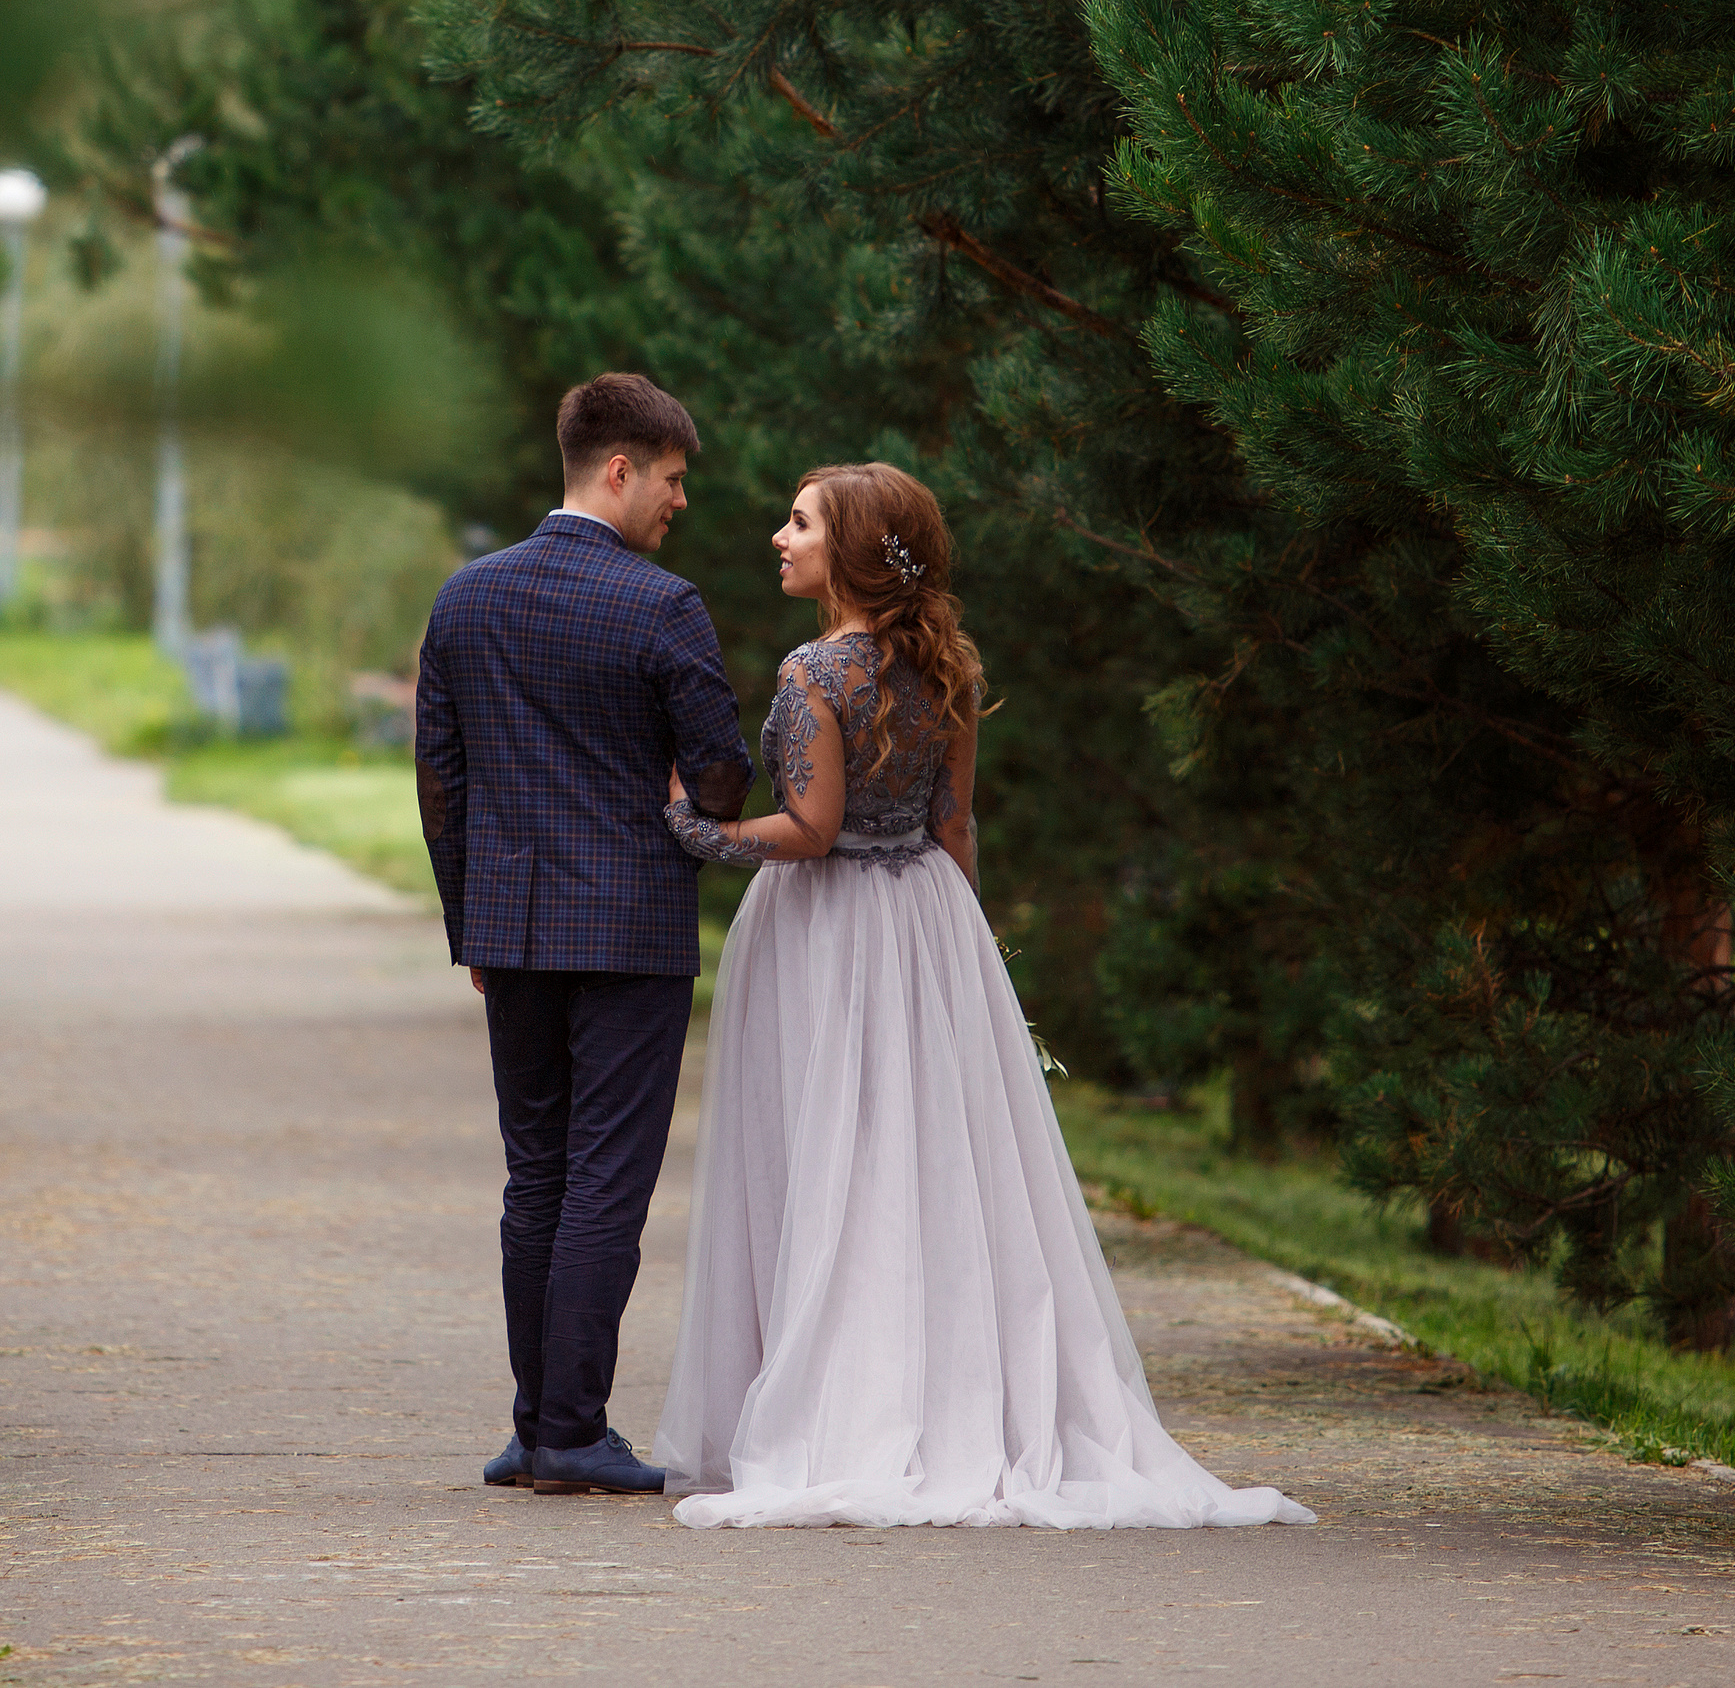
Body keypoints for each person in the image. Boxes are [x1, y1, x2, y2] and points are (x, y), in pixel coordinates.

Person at [654, 462, 1315, 1530]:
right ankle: (947, 1390)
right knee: (926, 1159)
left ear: (855, 552)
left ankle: (845, 1404)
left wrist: (692, 828)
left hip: (826, 931)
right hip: (924, 918)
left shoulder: (812, 671)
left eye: (800, 523)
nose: (779, 537)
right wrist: (969, 959)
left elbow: (812, 831)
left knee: (830, 1153)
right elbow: (955, 823)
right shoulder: (949, 663)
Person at [414, 373, 754, 1498]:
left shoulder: (465, 601)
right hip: (631, 932)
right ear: (618, 469)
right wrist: (696, 785)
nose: (680, 502)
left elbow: (441, 781)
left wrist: (472, 926)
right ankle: (573, 1430)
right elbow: (716, 771)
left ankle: (535, 1428)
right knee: (607, 1180)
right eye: (670, 479)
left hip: (509, 931)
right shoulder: (663, 606)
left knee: (536, 1178)